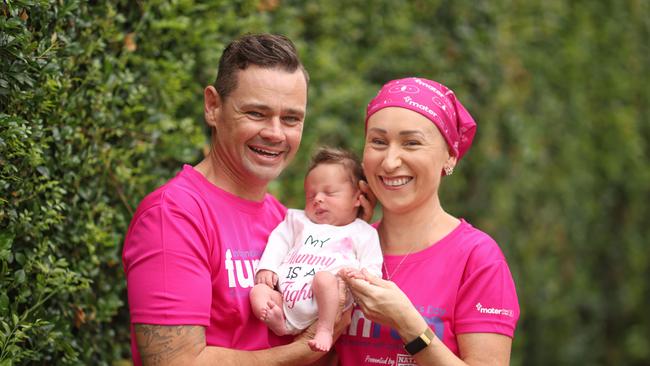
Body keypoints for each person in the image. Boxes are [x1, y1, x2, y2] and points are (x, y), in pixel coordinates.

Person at [122, 34, 363, 366]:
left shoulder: (283, 219)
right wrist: (303, 349)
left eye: (291, 119)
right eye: (256, 113)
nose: (276, 133)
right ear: (213, 106)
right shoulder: (173, 215)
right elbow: (175, 362)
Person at [336, 77, 520, 365]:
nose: (390, 161)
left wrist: (407, 323)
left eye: (411, 143)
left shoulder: (478, 259)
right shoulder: (344, 247)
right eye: (378, 142)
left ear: (450, 156)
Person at [250, 147, 383, 353]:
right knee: (258, 292)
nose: (318, 199)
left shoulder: (363, 232)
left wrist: (361, 277)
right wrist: (267, 267)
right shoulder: (298, 220)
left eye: (329, 193)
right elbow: (279, 241)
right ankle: (281, 324)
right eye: (311, 195)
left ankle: (324, 329)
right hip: (286, 297)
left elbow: (373, 266)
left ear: (357, 198)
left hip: (325, 301)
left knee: (323, 279)